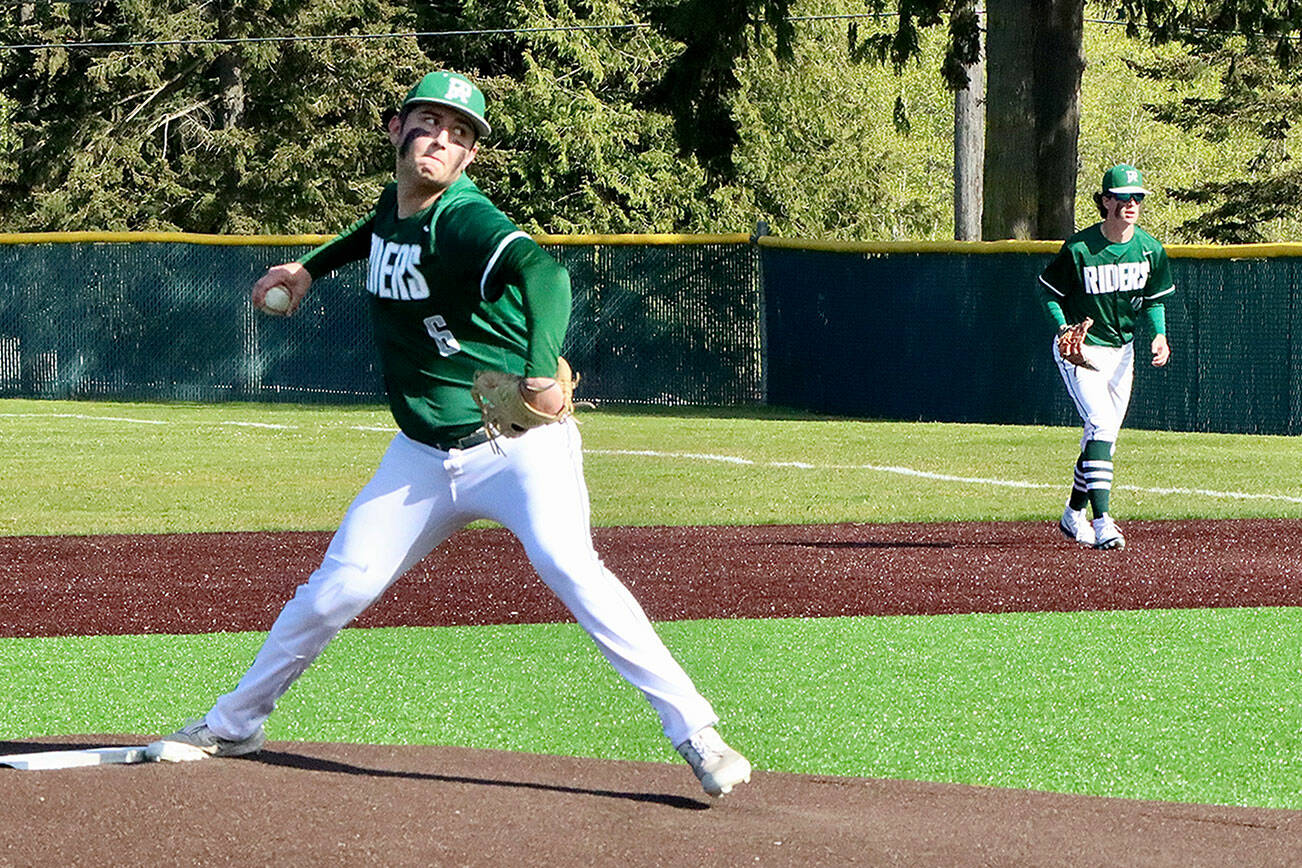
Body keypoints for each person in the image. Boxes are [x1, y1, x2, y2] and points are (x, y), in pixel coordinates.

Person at [147, 70, 751, 798]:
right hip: (422, 456)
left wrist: (537, 370)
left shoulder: (463, 218)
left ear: (469, 157)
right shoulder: (398, 209)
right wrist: (308, 268)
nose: (442, 140)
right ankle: (236, 723)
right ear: (397, 131)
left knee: (572, 570)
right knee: (338, 587)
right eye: (430, 124)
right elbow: (373, 231)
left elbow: (545, 274)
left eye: (460, 134)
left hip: (516, 448)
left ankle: (696, 733)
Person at [1037, 164, 1175, 551]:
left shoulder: (1150, 249)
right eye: (1124, 197)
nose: (1131, 204)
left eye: (1137, 198)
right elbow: (1049, 292)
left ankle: (1071, 516)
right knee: (1100, 424)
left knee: (1104, 439)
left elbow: (1153, 301)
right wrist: (1062, 327)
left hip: (1122, 352)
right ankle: (1103, 522)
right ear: (1106, 201)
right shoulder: (1080, 249)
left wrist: (1160, 335)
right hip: (1081, 349)